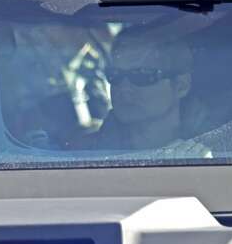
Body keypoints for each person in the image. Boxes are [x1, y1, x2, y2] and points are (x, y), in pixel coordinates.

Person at [81, 25, 212, 159]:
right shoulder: (82, 154)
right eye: (115, 75)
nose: (124, 88)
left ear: (181, 86)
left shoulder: (219, 149)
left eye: (142, 75)